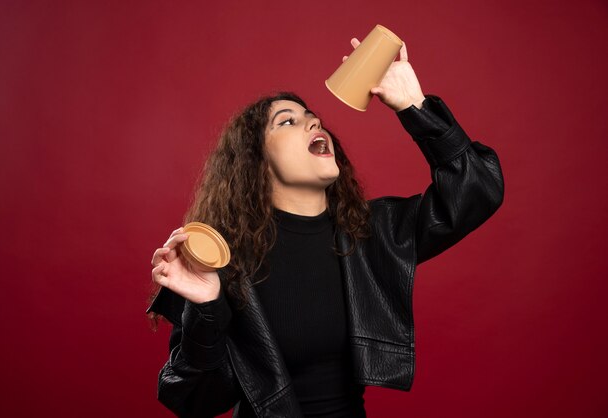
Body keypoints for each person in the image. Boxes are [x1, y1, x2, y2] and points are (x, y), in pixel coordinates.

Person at [146, 38, 504, 418]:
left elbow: (479, 190)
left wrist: (414, 106)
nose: (314, 120)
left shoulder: (373, 232)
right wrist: (206, 309)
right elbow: (193, 399)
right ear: (256, 163)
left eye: (311, 116)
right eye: (288, 120)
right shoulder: (220, 259)